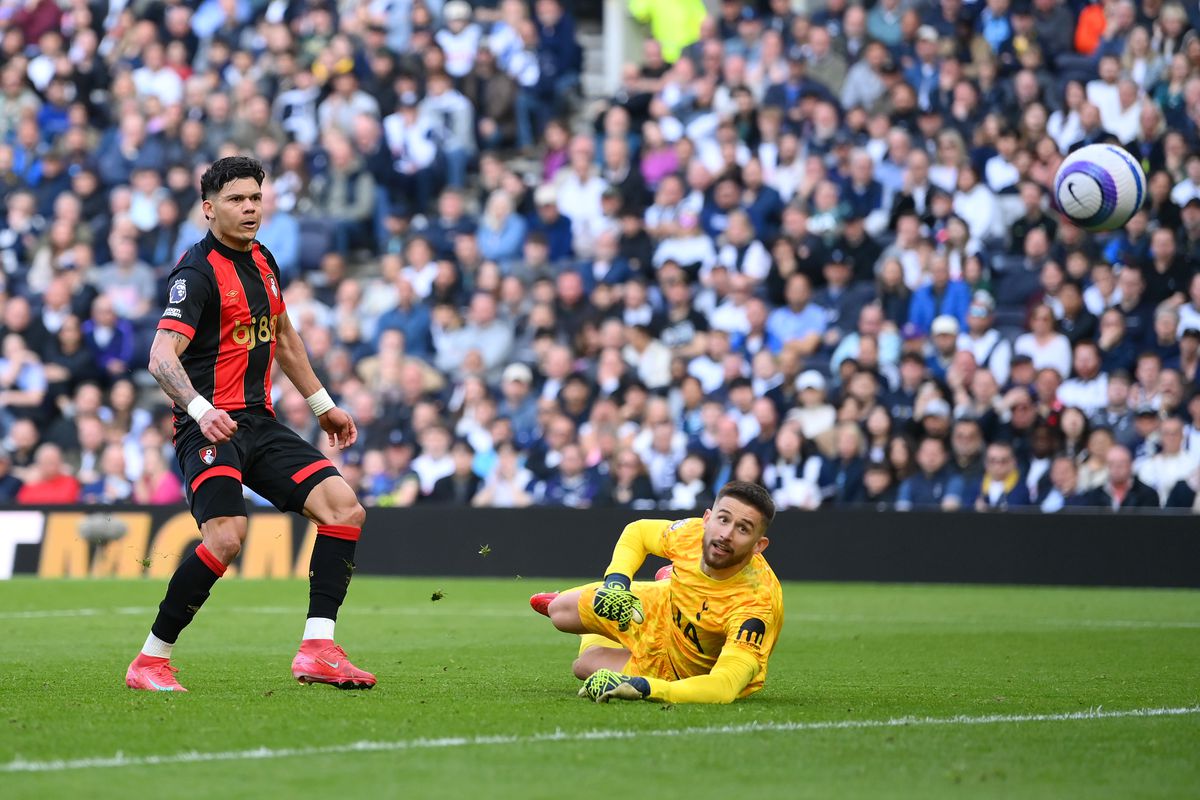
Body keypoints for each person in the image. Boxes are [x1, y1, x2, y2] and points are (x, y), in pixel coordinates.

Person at [126, 157, 375, 693]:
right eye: (237, 200)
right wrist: (199, 410)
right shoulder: (195, 273)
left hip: (257, 423)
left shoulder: (264, 260)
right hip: (207, 427)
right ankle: (150, 659)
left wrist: (321, 404)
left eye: (256, 198)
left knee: (344, 509)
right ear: (209, 208)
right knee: (227, 538)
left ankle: (318, 649)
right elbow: (160, 357)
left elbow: (283, 337)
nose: (249, 209)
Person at [530, 481, 781, 704]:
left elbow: (723, 686)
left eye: (743, 529)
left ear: (759, 546)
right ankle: (669, 581)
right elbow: (638, 532)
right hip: (661, 607)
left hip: (678, 668)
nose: (726, 534)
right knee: (559, 612)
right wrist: (616, 583)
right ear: (707, 519)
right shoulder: (690, 533)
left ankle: (667, 581)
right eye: (723, 519)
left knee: (584, 665)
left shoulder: (756, 606)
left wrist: (646, 688)